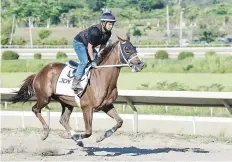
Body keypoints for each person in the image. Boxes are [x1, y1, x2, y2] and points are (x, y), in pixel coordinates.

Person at [72, 11, 116, 90]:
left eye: (112, 24)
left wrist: (99, 55)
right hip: (79, 42)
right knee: (84, 61)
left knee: (98, 60)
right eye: (109, 24)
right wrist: (92, 61)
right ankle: (75, 82)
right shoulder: (95, 31)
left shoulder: (108, 33)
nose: (111, 26)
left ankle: (90, 77)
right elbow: (90, 47)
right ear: (103, 23)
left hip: (88, 45)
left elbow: (102, 46)